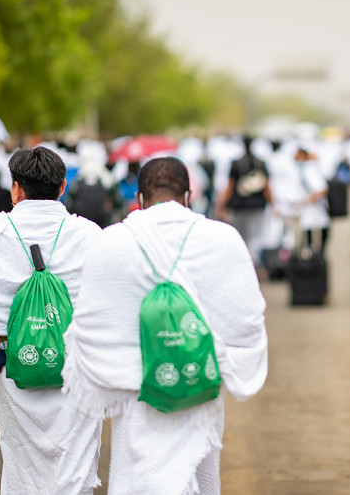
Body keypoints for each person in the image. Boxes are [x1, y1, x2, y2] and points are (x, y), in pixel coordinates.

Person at [61, 156, 269, 495]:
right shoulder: (223, 238)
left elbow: (88, 324)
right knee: (200, 477)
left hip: (138, 391)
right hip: (198, 382)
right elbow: (247, 318)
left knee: (138, 478)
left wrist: (131, 360)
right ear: (188, 195)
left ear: (139, 199)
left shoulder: (110, 241)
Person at [0, 146, 104, 494]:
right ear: (63, 186)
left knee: (23, 466)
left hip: (15, 368)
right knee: (75, 463)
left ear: (16, 188)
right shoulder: (88, 234)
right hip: (78, 369)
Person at [216, 135, 273, 268]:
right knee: (255, 236)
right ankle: (253, 263)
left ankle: (242, 264)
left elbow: (230, 186)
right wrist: (272, 203)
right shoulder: (261, 163)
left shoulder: (236, 164)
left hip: (239, 205)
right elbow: (267, 186)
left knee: (241, 236)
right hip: (258, 205)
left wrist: (222, 204)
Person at [66, 149, 123, 228]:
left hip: (82, 225)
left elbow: (69, 205)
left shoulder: (78, 179)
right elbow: (118, 203)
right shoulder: (106, 178)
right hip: (103, 225)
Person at [293, 147, 330, 253]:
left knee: (315, 226)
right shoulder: (302, 168)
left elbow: (323, 189)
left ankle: (319, 253)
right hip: (309, 206)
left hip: (315, 206)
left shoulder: (310, 169)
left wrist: (310, 198)